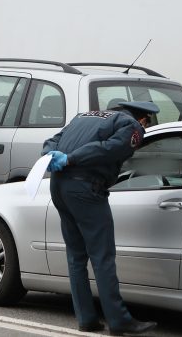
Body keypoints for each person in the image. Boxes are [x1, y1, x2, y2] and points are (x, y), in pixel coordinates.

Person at [42, 101, 159, 335]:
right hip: (86, 189)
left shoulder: (83, 116)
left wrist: (52, 156)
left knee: (76, 257)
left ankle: (86, 319)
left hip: (59, 187)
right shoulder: (131, 125)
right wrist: (72, 158)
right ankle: (119, 321)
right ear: (144, 119)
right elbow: (110, 149)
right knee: (102, 257)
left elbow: (51, 142)